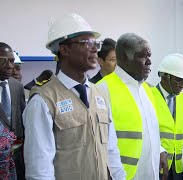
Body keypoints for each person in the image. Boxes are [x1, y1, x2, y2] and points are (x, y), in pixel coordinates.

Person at [23, 13, 125, 180]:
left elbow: (111, 151)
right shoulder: (44, 100)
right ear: (64, 49)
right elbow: (39, 170)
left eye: (96, 43)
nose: (95, 49)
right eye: (87, 43)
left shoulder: (100, 94)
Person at [96, 33, 168, 180]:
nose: (149, 62)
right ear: (123, 58)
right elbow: (99, 143)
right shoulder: (102, 90)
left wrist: (160, 151)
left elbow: (150, 128)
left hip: (151, 172)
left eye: (149, 56)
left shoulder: (147, 89)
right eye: (142, 56)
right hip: (122, 175)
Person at [0, 42, 26, 180]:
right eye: (4, 61)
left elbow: (22, 120)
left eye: (12, 61)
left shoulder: (17, 86)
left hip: (16, 159)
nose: (10, 66)